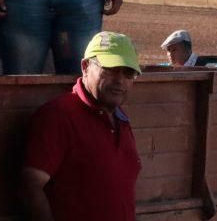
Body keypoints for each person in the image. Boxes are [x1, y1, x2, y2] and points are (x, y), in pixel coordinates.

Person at [21, 31, 142, 221]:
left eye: (128, 73)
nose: (119, 80)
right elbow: (30, 185)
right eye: (110, 69)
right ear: (85, 67)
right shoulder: (59, 115)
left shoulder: (121, 119)